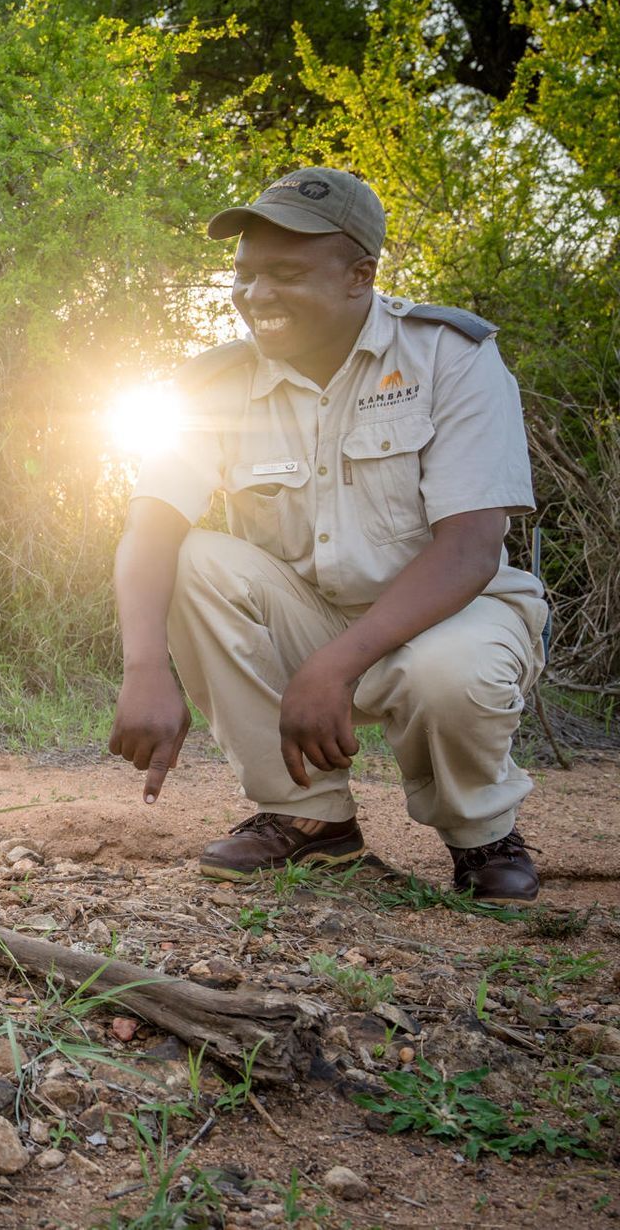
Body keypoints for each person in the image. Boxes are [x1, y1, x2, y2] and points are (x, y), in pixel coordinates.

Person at [107, 167, 548, 905]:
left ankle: (483, 834)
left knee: (449, 671)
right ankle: (310, 820)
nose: (256, 297)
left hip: (452, 615)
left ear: (359, 276)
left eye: (285, 274)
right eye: (245, 275)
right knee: (191, 560)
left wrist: (334, 667)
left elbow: (470, 546)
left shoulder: (450, 355)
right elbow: (149, 529)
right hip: (310, 612)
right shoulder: (214, 383)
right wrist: (144, 665)